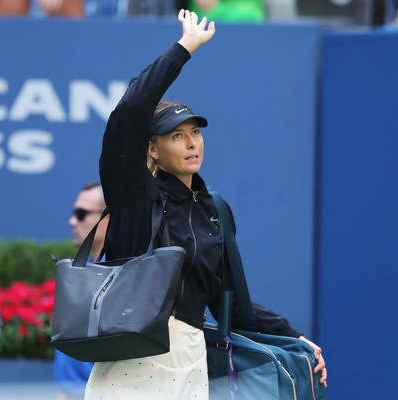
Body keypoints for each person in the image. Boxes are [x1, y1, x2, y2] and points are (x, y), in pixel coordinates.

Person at [85, 9, 327, 399]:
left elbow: (229, 301)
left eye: (195, 132)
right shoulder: (134, 196)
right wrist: (185, 48)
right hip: (131, 362)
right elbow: (129, 112)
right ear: (152, 148)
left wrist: (296, 338)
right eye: (176, 136)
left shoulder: (214, 207)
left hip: (192, 361)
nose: (192, 142)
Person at [54, 182, 108, 400]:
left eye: (81, 214)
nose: (72, 221)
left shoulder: (122, 276)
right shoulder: (90, 269)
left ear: (107, 216)